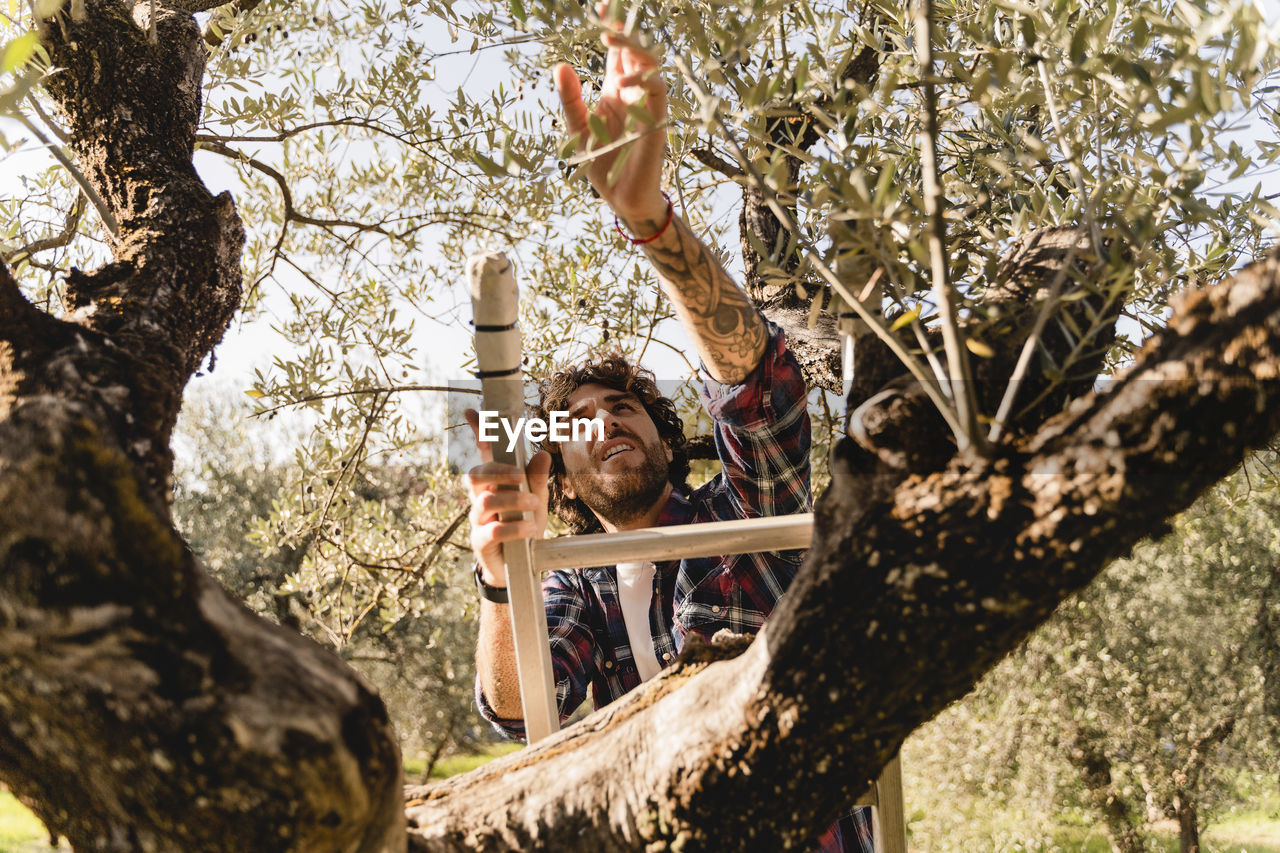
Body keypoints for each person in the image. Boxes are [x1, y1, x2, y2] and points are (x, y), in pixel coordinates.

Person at [463, 10, 873, 852]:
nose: (605, 421)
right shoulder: (576, 586)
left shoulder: (742, 521)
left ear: (663, 434)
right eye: (576, 421)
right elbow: (515, 710)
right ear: (565, 478)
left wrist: (651, 222)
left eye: (624, 407)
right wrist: (502, 578)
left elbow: (759, 390)